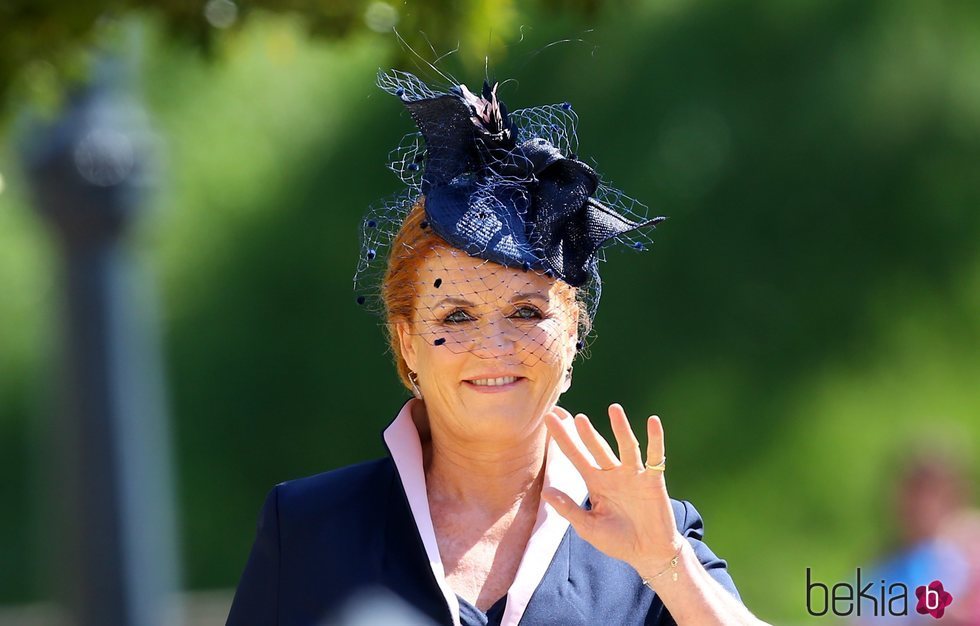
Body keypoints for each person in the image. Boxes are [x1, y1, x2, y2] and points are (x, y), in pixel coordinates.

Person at [226, 69, 770, 626]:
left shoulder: (654, 531)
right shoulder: (308, 527)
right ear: (407, 344)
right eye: (457, 316)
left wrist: (664, 563)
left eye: (526, 312)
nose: (495, 346)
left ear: (574, 335)